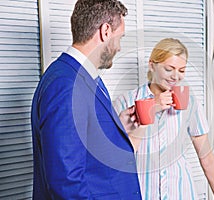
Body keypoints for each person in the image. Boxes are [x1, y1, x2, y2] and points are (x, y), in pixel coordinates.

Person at [31, 0, 142, 199]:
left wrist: (117, 128)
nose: (119, 47)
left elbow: (85, 148)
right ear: (105, 31)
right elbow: (66, 182)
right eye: (120, 38)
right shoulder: (65, 85)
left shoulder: (87, 77)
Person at [114, 38, 214, 200]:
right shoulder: (126, 102)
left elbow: (207, 158)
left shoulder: (190, 103)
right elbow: (120, 157)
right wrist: (150, 109)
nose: (176, 76)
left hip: (181, 193)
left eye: (182, 70)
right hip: (143, 194)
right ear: (152, 65)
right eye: (169, 69)